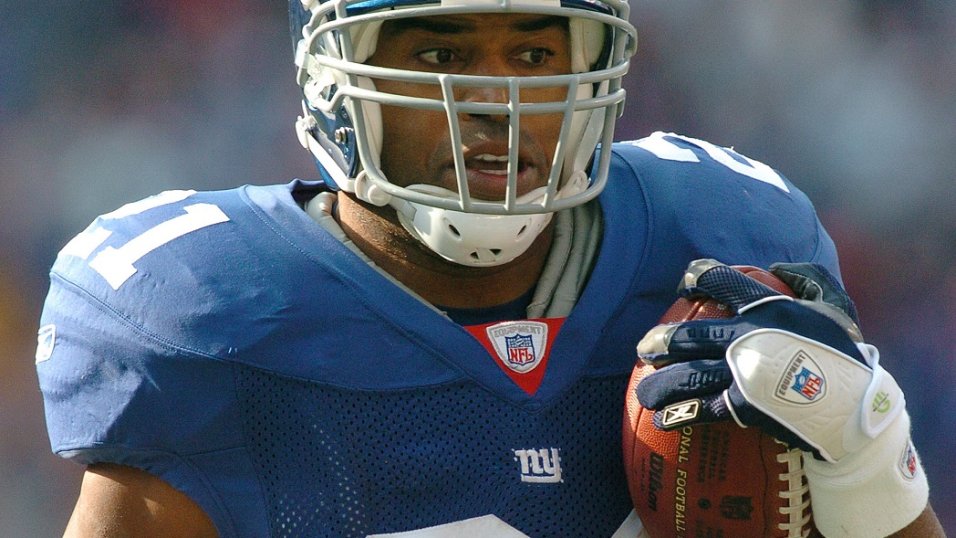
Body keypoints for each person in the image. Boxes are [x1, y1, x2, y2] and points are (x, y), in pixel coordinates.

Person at [35, 0, 943, 536]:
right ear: (331, 77)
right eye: (441, 53)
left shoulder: (719, 242)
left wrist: (868, 467)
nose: (496, 102)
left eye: (537, 54)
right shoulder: (205, 312)